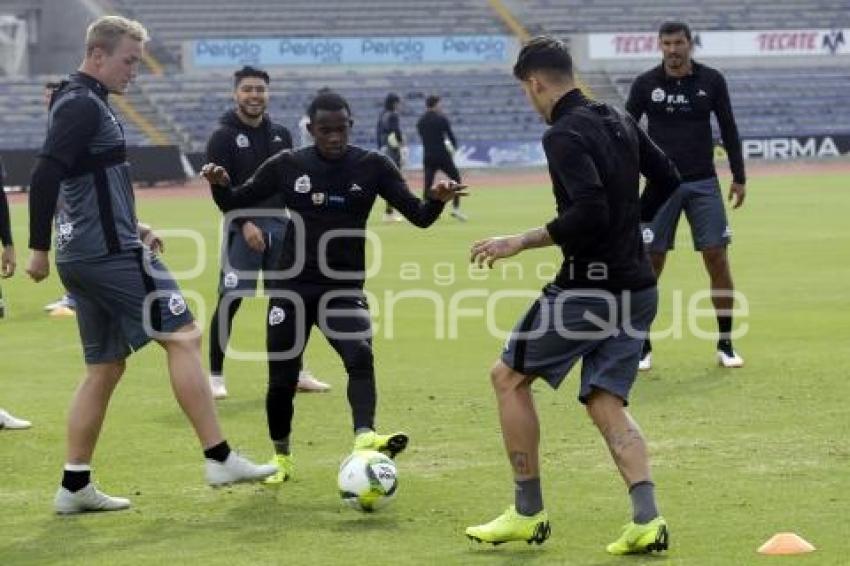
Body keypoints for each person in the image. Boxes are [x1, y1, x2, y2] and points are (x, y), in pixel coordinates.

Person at [25, 15, 275, 515]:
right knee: (182, 334)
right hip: (109, 253)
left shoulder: (83, 101)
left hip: (91, 250)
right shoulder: (81, 104)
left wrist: (132, 225)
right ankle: (219, 456)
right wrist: (36, 249)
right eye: (129, 60)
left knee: (104, 367)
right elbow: (45, 173)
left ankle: (74, 486)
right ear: (98, 55)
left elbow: (80, 181)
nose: (134, 70)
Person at [465, 36, 679, 554]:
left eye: (526, 92)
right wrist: (632, 228)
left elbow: (589, 213)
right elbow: (669, 178)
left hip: (591, 288)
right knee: (604, 400)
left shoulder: (563, 133)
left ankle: (527, 511)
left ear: (535, 83)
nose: (530, 100)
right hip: (638, 287)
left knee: (508, 378)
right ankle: (646, 521)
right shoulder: (616, 116)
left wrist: (520, 240)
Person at [202, 91, 467, 485]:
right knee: (281, 380)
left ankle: (364, 437)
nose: (333, 137)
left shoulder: (372, 165)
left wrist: (437, 199)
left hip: (342, 286)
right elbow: (236, 201)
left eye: (340, 129)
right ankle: (283, 457)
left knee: (359, 353)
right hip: (290, 287)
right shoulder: (288, 165)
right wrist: (221, 185)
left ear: (350, 126)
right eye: (325, 130)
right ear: (310, 129)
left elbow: (420, 217)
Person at [626, 20, 746, 371]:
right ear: (659, 46)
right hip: (660, 186)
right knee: (651, 263)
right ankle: (642, 345)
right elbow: (625, 132)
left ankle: (725, 343)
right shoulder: (646, 84)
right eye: (667, 44)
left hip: (703, 182)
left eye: (679, 43)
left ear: (690, 44)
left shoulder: (712, 81)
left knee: (716, 258)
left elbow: (729, 127)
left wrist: (739, 176)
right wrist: (625, 181)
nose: (673, 50)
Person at [206, 66, 330, 399]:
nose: (254, 96)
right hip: (241, 224)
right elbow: (220, 191)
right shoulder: (222, 136)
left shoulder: (281, 134)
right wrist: (244, 223)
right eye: (247, 89)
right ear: (236, 93)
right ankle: (215, 377)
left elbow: (290, 183)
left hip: (280, 223)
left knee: (289, 302)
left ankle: (296, 372)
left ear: (267, 93)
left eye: (260, 89)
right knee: (230, 300)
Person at [40, 81, 77, 316]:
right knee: (64, 243)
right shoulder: (54, 122)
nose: (47, 100)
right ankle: (73, 295)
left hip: (70, 195)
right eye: (45, 96)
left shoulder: (65, 123)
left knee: (69, 244)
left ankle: (74, 297)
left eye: (50, 95)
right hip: (61, 194)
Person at [416, 95, 467, 222]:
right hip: (442, 155)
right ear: (436, 104)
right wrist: (454, 149)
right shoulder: (441, 119)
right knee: (456, 179)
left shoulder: (420, 121)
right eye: (440, 104)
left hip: (428, 155)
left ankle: (426, 210)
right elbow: (450, 136)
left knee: (428, 184)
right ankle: (456, 209)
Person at [376, 93, 405, 222]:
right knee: (394, 181)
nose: (399, 105)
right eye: (398, 103)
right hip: (392, 150)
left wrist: (380, 146)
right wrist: (402, 145)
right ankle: (389, 213)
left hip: (384, 149)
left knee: (389, 181)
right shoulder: (393, 115)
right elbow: (396, 131)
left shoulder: (382, 115)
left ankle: (389, 212)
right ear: (394, 103)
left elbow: (378, 132)